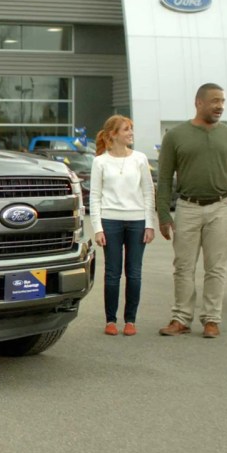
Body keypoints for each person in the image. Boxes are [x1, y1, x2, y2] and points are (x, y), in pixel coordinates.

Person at [156, 83, 227, 338]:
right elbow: (164, 178)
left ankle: (211, 319)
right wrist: (163, 215)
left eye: (222, 101)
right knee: (183, 266)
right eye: (214, 101)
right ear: (198, 103)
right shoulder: (175, 136)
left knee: (216, 267)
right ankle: (181, 318)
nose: (220, 106)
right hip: (187, 207)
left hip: (221, 207)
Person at [89, 115, 156, 336]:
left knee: (134, 273)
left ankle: (130, 320)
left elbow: (148, 192)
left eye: (131, 129)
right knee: (112, 273)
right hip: (110, 221)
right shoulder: (100, 161)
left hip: (137, 221)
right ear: (113, 134)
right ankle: (111, 320)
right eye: (126, 129)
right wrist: (97, 228)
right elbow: (95, 197)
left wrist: (149, 224)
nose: (131, 133)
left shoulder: (139, 158)